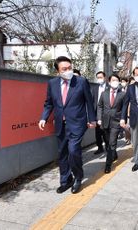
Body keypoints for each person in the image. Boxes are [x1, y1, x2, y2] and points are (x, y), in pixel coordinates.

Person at [38, 56, 96, 194]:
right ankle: (65, 180)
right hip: (60, 124)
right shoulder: (52, 83)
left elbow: (89, 101)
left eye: (69, 68)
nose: (68, 71)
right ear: (58, 71)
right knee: (63, 153)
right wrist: (43, 118)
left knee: (73, 150)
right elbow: (49, 103)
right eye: (64, 69)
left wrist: (92, 119)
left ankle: (78, 177)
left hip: (77, 123)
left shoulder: (81, 82)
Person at [97, 74, 126, 174]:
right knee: (108, 142)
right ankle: (114, 154)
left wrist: (123, 119)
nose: (115, 82)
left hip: (116, 122)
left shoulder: (122, 94)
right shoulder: (104, 94)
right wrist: (99, 118)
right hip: (105, 122)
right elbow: (100, 106)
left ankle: (108, 165)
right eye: (113, 80)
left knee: (112, 143)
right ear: (109, 82)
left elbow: (124, 108)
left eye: (117, 80)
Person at [91, 71, 109, 155]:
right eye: (97, 77)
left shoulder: (109, 87)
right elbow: (92, 100)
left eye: (101, 77)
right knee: (97, 132)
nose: (99, 79)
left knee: (106, 131)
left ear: (104, 78)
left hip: (106, 112)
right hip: (97, 113)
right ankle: (100, 147)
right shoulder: (95, 88)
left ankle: (108, 147)